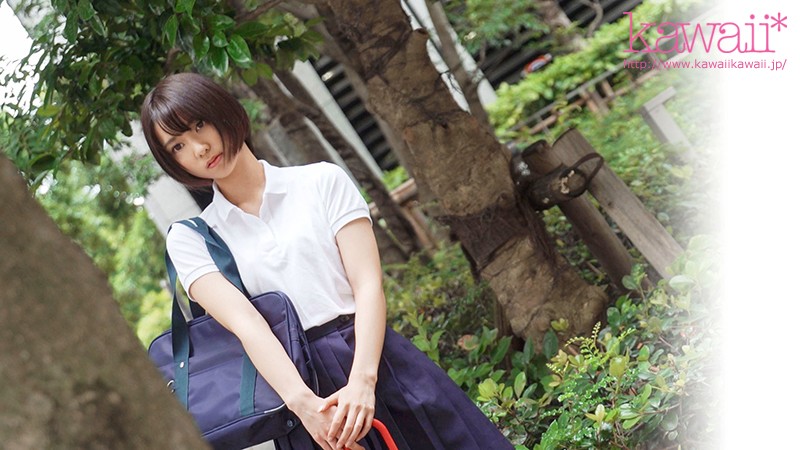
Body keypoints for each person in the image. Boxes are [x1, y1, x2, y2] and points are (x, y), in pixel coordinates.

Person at [140, 72, 514, 450]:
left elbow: (367, 285)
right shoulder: (192, 238)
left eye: (199, 125)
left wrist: (363, 383)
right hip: (299, 396)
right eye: (178, 145)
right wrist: (307, 409)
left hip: (376, 362)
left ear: (224, 111)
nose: (199, 148)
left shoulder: (321, 182)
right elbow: (246, 325)